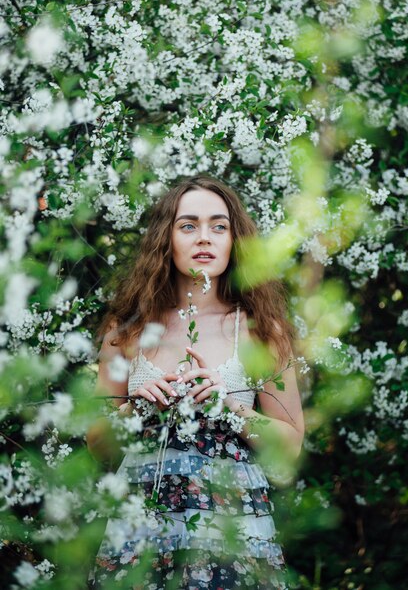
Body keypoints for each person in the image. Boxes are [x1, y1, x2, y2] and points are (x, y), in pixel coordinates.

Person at [87, 175, 304, 589]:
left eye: (218, 226)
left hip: (233, 531)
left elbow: (290, 447)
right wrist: (137, 409)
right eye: (188, 226)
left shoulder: (262, 330)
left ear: (234, 240)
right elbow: (97, 445)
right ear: (166, 239)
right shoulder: (127, 329)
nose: (204, 237)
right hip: (141, 532)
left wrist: (230, 407)